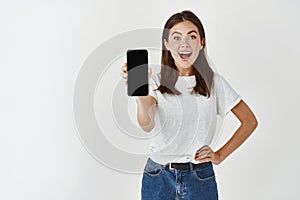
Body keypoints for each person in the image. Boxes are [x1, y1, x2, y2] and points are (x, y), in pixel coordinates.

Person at [120, 10, 258, 200]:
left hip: (200, 178)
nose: (184, 43)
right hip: (158, 177)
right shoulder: (155, 81)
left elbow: (249, 121)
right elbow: (147, 125)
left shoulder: (214, 83)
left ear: (201, 42)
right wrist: (141, 95)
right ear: (166, 44)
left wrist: (219, 155)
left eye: (191, 36)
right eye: (176, 38)